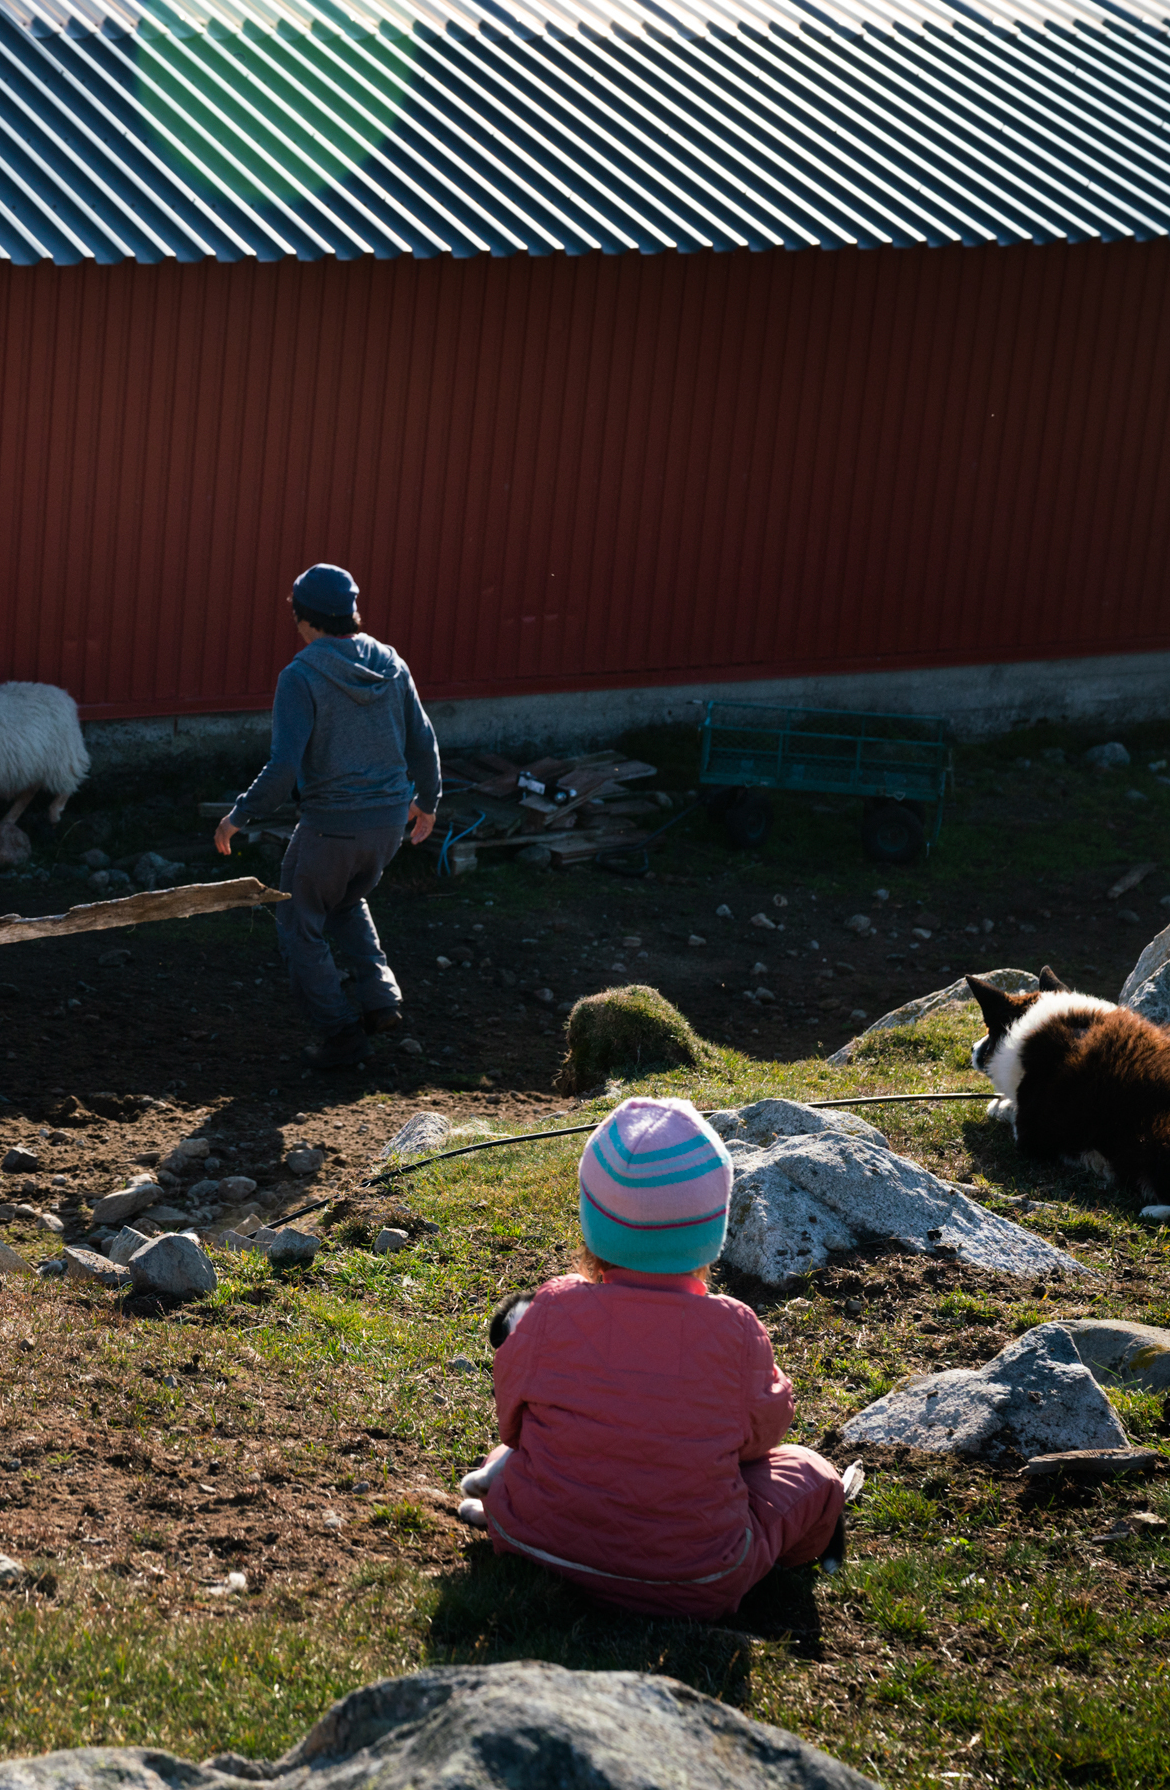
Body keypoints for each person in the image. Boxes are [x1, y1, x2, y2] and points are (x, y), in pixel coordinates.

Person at [456, 1098, 862, 1620]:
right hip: (698, 1577)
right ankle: (796, 1561)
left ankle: (521, 1510)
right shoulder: (735, 1329)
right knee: (812, 1473)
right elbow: (762, 1439)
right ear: (711, 1230)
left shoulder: (552, 1306)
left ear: (593, 1223)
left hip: (532, 1543)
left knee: (512, 1456)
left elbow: (513, 1425)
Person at [212, 562, 439, 1072]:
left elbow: (285, 765)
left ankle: (341, 1035)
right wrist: (428, 801)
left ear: (300, 616)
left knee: (298, 922)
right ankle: (381, 1000)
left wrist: (238, 815)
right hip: (386, 826)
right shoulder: (390, 661)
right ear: (352, 612)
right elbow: (423, 740)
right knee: (346, 898)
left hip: (331, 826)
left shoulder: (301, 675)